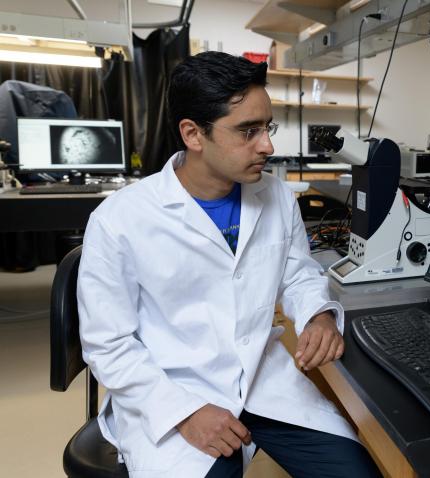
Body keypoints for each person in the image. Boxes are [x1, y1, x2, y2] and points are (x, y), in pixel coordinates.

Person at [78, 52, 380, 478]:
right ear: (193, 134)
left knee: (357, 473)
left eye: (267, 127)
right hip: (174, 393)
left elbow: (296, 273)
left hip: (263, 381)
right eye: (248, 131)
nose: (268, 145)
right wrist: (184, 413)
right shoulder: (120, 220)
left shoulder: (274, 195)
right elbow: (107, 345)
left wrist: (318, 314)